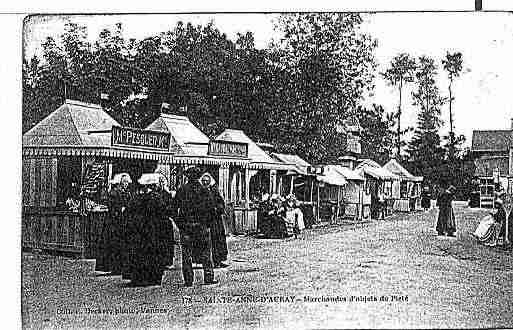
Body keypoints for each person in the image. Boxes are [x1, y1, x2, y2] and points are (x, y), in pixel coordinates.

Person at [171, 167, 217, 287]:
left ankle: (188, 280)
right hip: (202, 227)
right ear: (198, 176)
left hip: (186, 227)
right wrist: (207, 223)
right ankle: (208, 277)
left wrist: (179, 224)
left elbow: (173, 210)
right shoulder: (204, 190)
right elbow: (212, 210)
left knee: (186, 255)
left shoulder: (181, 190)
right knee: (206, 253)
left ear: (188, 176)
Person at [125, 173, 169, 286]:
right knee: (153, 253)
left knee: (140, 253)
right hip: (154, 230)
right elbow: (164, 212)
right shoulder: (157, 197)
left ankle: (139, 278)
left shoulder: (136, 198)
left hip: (139, 231)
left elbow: (128, 212)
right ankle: (154, 278)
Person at [95, 173, 132, 275]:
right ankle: (114, 267)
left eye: (127, 182)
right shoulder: (114, 192)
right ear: (119, 182)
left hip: (122, 221)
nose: (126, 184)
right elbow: (112, 207)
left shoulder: (127, 193)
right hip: (113, 222)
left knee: (121, 245)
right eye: (124, 182)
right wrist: (120, 210)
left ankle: (121, 266)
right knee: (113, 244)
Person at [200, 172, 229, 268]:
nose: (205, 183)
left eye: (206, 181)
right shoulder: (200, 192)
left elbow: (221, 203)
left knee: (217, 240)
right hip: (204, 220)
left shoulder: (214, 191)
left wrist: (217, 209)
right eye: (203, 181)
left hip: (215, 221)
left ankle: (218, 260)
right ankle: (205, 261)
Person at [155, 174, 175, 268]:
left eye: (163, 182)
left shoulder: (167, 194)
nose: (162, 184)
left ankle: (167, 261)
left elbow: (171, 207)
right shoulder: (155, 194)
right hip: (158, 221)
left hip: (165, 221)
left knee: (167, 242)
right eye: (160, 182)